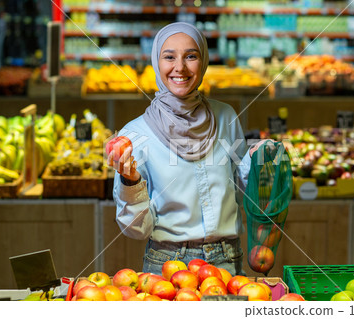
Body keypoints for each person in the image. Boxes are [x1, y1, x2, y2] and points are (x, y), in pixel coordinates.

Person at [108, 22, 260, 276]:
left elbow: (247, 190)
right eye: (169, 57)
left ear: (204, 62)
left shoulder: (226, 117)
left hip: (227, 261)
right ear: (157, 63)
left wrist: (260, 160)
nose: (180, 67)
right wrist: (130, 180)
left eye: (191, 56)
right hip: (167, 264)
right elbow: (137, 230)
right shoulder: (135, 135)